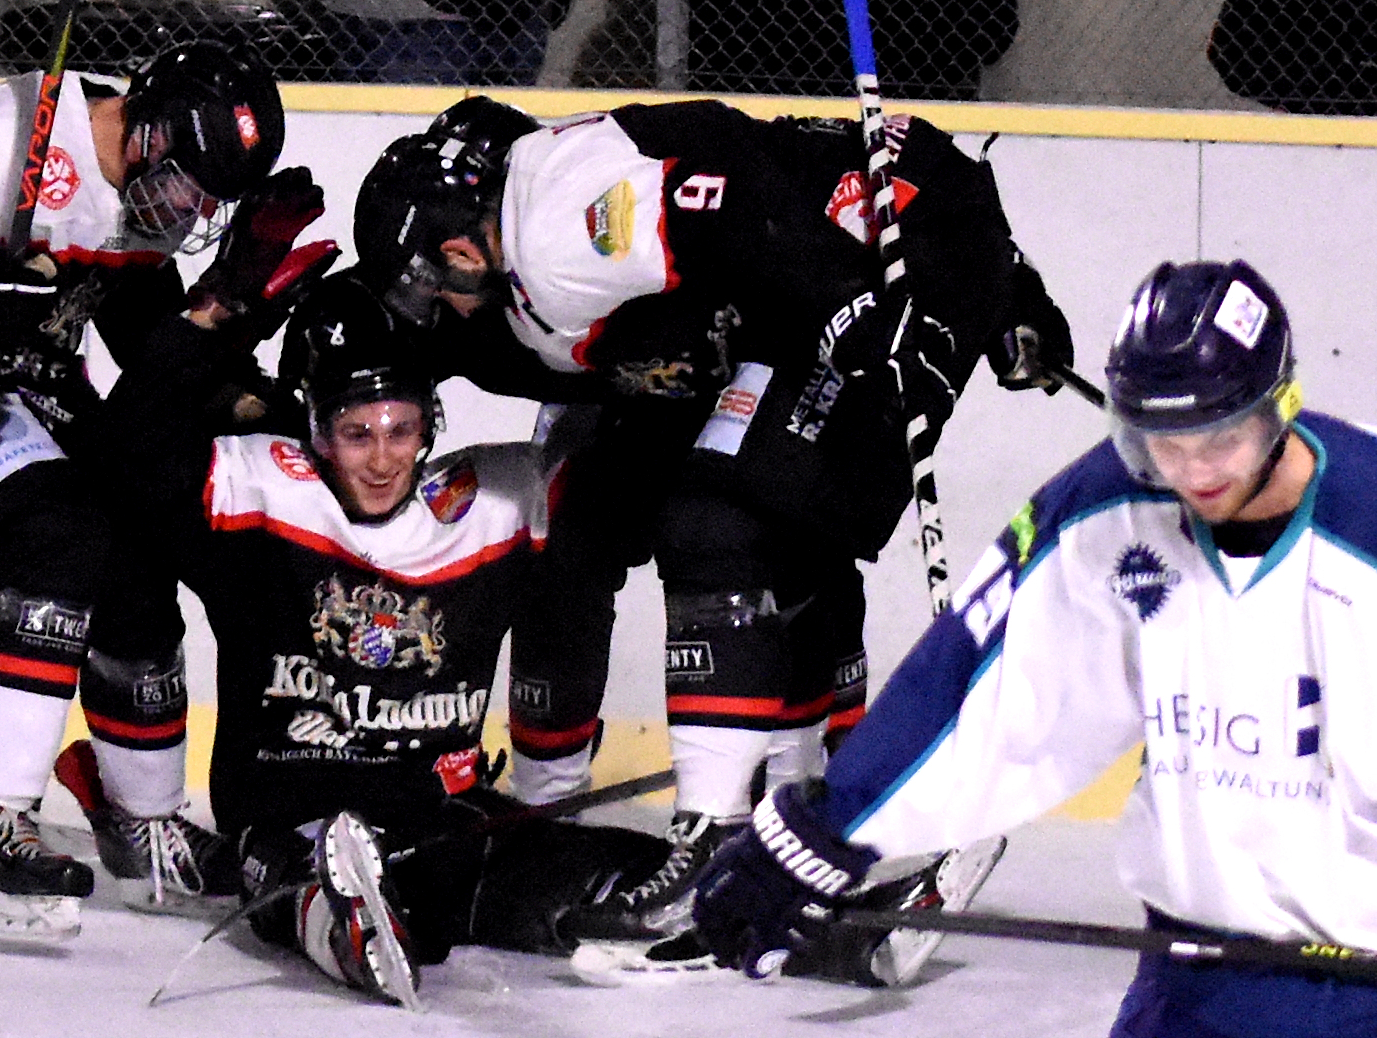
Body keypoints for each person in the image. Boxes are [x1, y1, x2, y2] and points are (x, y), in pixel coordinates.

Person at [352, 95, 1074, 958]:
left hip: (880, 263)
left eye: (432, 281)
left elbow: (752, 201)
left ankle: (723, 838)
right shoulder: (532, 226)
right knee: (740, 512)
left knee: (718, 516)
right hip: (869, 241)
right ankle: (803, 819)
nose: (438, 306)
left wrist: (887, 306)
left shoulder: (551, 241)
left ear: (460, 248)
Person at [684, 259, 1377, 1034]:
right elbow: (980, 675)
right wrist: (824, 832)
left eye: (1219, 440)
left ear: (1278, 407)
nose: (1190, 472)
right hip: (1184, 980)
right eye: (1161, 444)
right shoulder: (1116, 505)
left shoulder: (1365, 534)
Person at [0, 40, 326, 939]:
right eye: (189, 186)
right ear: (148, 132)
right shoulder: (12, 138)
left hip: (22, 378)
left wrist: (239, 371)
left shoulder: (138, 198)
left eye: (212, 200)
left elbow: (137, 333)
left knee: (135, 542)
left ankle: (144, 825)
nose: (192, 212)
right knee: (56, 536)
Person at [75, 268, 672, 1005]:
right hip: (291, 818)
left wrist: (634, 361)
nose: (383, 458)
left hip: (440, 822)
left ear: (429, 425)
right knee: (317, 876)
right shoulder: (258, 488)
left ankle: (793, 918)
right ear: (318, 431)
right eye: (357, 435)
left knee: (639, 879)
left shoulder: (492, 502)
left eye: (402, 430)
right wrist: (218, 316)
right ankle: (345, 928)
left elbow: (626, 492)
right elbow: (119, 457)